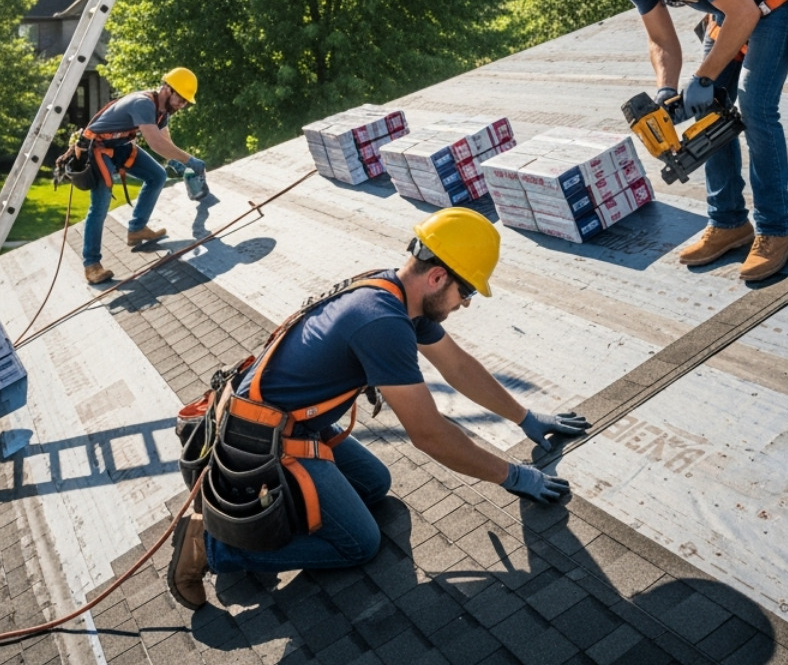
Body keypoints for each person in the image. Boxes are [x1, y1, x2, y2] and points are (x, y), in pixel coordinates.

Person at [167, 207, 589, 610]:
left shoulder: (395, 291)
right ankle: (216, 544)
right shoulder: (382, 322)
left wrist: (525, 417)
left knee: (374, 484)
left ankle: (270, 518)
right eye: (468, 291)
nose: (466, 304)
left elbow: (458, 365)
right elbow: (429, 435)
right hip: (263, 440)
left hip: (290, 423)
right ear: (439, 276)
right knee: (358, 544)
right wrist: (512, 476)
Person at [557, 0, 788, 281]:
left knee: (755, 107)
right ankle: (728, 223)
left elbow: (745, 14)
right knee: (707, 110)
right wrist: (667, 92)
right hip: (732, 10)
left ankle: (775, 231)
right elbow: (660, 41)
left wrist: (703, 77)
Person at [79, 67, 206, 284]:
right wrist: (190, 160)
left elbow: (164, 140)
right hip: (97, 148)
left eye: (186, 102)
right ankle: (91, 265)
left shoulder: (163, 111)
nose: (182, 105)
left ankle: (137, 230)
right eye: (181, 99)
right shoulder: (143, 103)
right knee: (100, 204)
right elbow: (155, 143)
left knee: (157, 175)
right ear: (168, 88)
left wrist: (176, 160)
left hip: (119, 145)